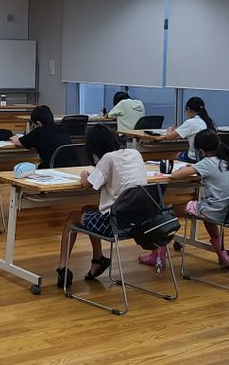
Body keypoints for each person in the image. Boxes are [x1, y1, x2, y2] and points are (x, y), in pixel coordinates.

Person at [56, 124, 147, 289]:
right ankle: (98, 259)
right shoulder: (135, 153)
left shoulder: (108, 159)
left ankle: (62, 268)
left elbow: (87, 184)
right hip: (138, 221)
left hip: (114, 224)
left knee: (71, 219)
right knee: (87, 209)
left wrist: (84, 173)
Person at [142, 129, 229, 269]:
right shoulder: (225, 160)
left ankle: (158, 256)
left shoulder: (207, 163)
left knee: (164, 212)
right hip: (225, 212)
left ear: (201, 151)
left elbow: (175, 175)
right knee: (206, 214)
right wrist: (195, 167)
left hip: (214, 210)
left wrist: (192, 167)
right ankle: (223, 256)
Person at [166, 96, 215, 163]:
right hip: (208, 157)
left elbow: (169, 136)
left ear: (188, 109)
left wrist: (169, 129)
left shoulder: (191, 122)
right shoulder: (209, 121)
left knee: (169, 156)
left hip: (194, 157)